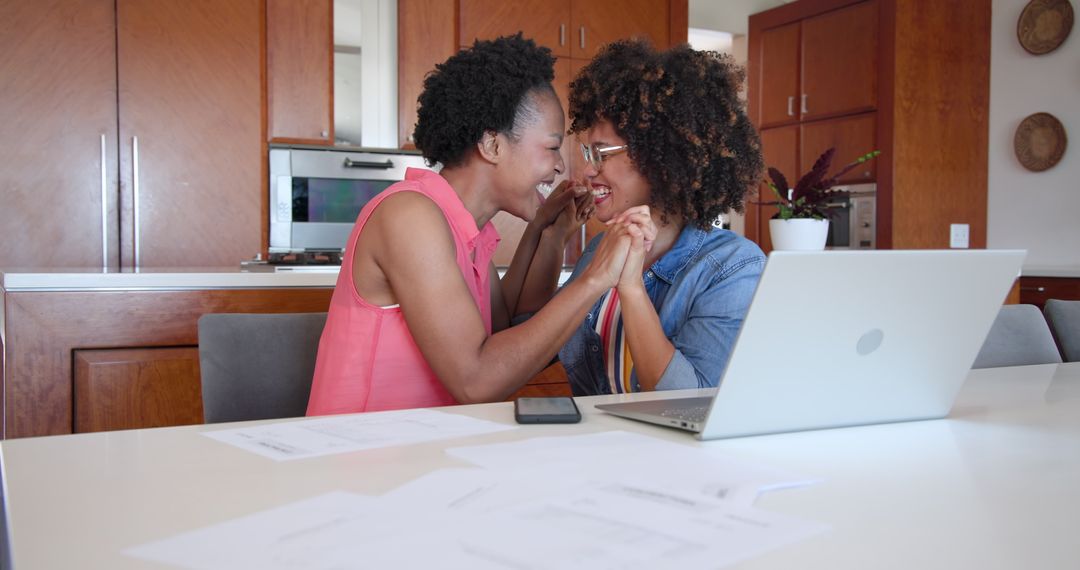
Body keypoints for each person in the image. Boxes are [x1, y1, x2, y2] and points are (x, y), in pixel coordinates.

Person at [306, 34, 636, 416]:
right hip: (360, 446)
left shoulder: (465, 230)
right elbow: (476, 380)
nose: (560, 165)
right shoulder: (410, 216)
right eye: (551, 147)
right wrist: (594, 280)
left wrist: (549, 233)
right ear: (493, 145)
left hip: (424, 442)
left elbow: (506, 329)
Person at [515, 39, 767, 396]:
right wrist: (553, 238)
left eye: (601, 153)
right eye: (588, 153)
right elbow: (532, 343)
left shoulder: (731, 267)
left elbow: (687, 402)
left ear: (658, 158)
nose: (588, 170)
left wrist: (631, 288)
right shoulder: (602, 248)